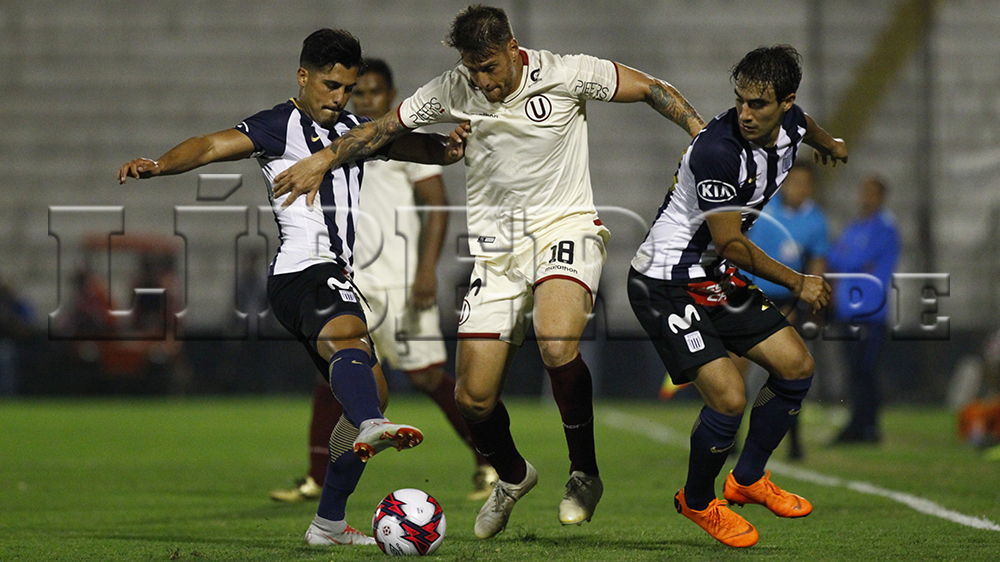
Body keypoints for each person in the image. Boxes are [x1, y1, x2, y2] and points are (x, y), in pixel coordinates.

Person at [271, 5, 705, 539]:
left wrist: (697, 131)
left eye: (490, 67)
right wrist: (324, 159)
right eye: (473, 69)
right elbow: (381, 129)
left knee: (556, 340)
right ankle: (514, 476)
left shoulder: (568, 73)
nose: (483, 80)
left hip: (564, 229)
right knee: (471, 398)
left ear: (512, 48)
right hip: (496, 254)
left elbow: (647, 87)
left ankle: (583, 473)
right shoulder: (452, 88)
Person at [118, 29, 467, 546]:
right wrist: (160, 164)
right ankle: (371, 423)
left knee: (375, 389)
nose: (337, 97)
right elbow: (213, 144)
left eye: (346, 88)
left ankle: (327, 523)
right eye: (329, 85)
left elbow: (413, 146)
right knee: (354, 352)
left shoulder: (354, 129)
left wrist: (450, 147)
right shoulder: (278, 125)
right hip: (303, 269)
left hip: (331, 273)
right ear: (303, 77)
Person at [627, 45, 847, 547]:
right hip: (665, 282)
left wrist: (830, 143)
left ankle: (746, 480)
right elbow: (729, 242)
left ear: (785, 102)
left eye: (759, 104)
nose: (745, 113)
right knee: (728, 398)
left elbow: (805, 125)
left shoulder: (791, 124)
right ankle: (699, 500)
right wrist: (798, 281)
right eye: (740, 101)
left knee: (796, 366)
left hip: (713, 276)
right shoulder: (717, 150)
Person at [269, 58, 498, 505]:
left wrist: (426, 270)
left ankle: (487, 462)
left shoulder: (397, 144)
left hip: (400, 282)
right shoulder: (336, 142)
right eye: (361, 94)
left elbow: (435, 206)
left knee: (429, 376)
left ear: (391, 98)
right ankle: (317, 477)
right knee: (335, 375)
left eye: (375, 93)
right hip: (349, 279)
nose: (367, 100)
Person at [741, 161, 830, 460]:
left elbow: (817, 266)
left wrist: (806, 305)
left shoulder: (816, 221)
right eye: (795, 183)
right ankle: (729, 438)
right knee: (737, 368)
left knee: (790, 371)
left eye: (806, 184)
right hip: (751, 297)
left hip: (788, 302)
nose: (800, 189)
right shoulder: (764, 212)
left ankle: (793, 441)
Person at [827, 176, 899, 445]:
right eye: (864, 192)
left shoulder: (885, 227)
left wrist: (849, 260)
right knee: (854, 370)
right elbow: (836, 257)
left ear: (881, 197)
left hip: (870, 309)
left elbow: (850, 258)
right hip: (847, 309)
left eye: (871, 193)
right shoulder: (855, 226)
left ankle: (867, 426)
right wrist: (851, 262)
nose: (866, 198)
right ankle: (859, 424)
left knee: (866, 370)